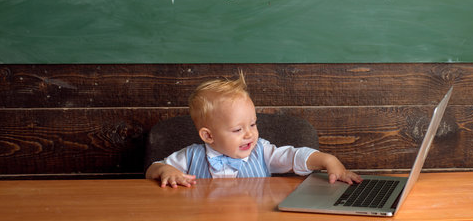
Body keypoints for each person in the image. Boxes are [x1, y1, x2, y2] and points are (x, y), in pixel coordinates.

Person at [146, 71, 362, 188]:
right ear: (208, 135)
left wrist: (328, 161)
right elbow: (152, 170)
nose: (249, 134)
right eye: (238, 129)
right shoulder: (191, 156)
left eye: (252, 124)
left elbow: (295, 156)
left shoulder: (261, 151)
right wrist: (167, 170)